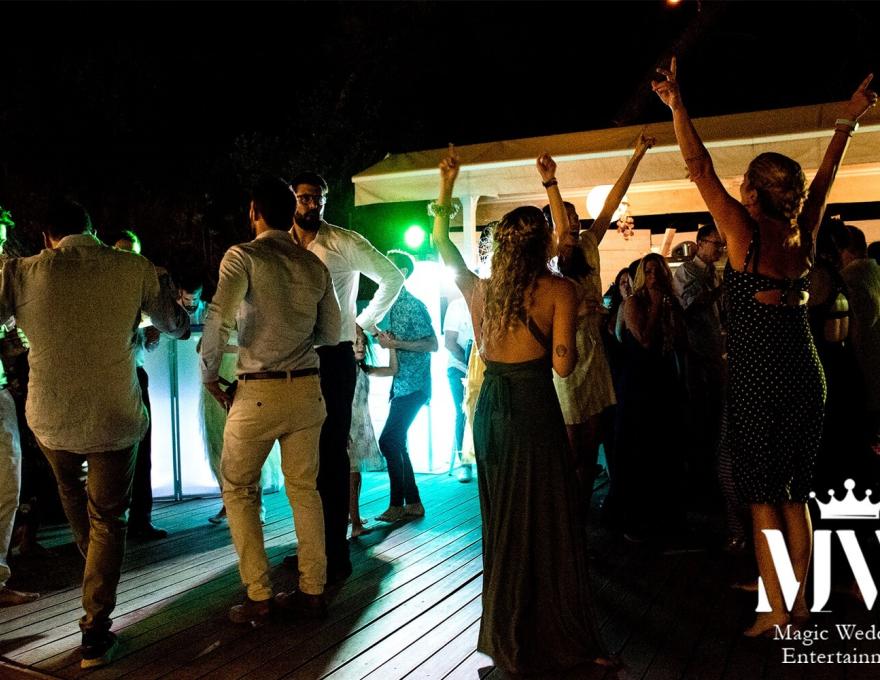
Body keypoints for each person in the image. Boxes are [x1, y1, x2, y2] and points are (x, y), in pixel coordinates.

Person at [653, 58, 877, 636]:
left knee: (761, 497)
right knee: (795, 494)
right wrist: (846, 122)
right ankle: (797, 605)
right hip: (806, 370)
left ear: (752, 191)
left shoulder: (742, 231)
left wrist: (678, 106)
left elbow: (699, 166)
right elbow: (826, 175)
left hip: (760, 375)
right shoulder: (804, 230)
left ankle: (775, 609)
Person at [433, 147, 612, 675]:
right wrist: (577, 322)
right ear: (542, 245)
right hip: (533, 411)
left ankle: (508, 634)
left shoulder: (481, 289)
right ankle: (556, 634)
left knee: (505, 523)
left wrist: (447, 187)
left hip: (491, 411)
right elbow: (563, 367)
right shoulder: (559, 290)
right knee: (549, 521)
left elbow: (441, 243)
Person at [0, 198, 189, 667]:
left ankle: (95, 581)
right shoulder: (133, 267)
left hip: (52, 418)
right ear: (93, 230)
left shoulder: (20, 272)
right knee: (108, 518)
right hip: (114, 414)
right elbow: (176, 327)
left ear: (47, 237)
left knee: (75, 499)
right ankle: (95, 630)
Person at [201, 177, 341, 624]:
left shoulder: (243, 256)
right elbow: (331, 332)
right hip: (306, 388)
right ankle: (313, 591)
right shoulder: (313, 265)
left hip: (258, 389)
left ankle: (259, 596)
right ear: (291, 212)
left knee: (239, 489)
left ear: (254, 212)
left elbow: (218, 317)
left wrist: (209, 375)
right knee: (305, 491)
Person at [287, 172, 404, 584]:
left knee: (333, 453)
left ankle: (335, 553)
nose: (312, 204)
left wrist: (363, 322)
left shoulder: (343, 242)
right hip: (296, 357)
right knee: (303, 455)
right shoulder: (283, 245)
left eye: (318, 198)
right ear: (293, 199)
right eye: (305, 198)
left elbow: (393, 276)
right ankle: (312, 547)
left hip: (335, 356)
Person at [545, 132, 654, 508]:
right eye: (567, 219)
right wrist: (551, 183)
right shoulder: (551, 262)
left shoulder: (590, 244)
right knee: (572, 445)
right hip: (567, 353)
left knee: (591, 444)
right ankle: (566, 514)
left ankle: (581, 513)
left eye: (576, 217)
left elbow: (610, 204)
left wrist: (636, 157)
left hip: (595, 352)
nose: (573, 224)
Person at [616, 254, 688, 542]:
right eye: (648, 271)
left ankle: (666, 517)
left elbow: (679, 340)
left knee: (664, 448)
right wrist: (657, 305)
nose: (653, 277)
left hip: (664, 380)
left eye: (658, 271)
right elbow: (644, 340)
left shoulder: (672, 304)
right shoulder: (634, 303)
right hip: (639, 384)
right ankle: (635, 520)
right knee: (640, 448)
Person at [111, 229, 167, 541]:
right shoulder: (102, 289)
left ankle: (141, 519)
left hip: (136, 371)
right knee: (111, 450)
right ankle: (113, 521)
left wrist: (152, 336)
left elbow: (149, 345)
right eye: (121, 252)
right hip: (109, 376)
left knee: (143, 447)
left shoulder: (144, 289)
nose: (127, 258)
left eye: (132, 253)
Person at [374, 249, 438, 522]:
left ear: (401, 273)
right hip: (402, 384)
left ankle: (397, 505)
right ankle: (412, 503)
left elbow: (432, 344)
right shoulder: (389, 304)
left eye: (386, 267)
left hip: (414, 385)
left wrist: (395, 343)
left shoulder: (411, 304)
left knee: (388, 440)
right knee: (396, 441)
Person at [673, 224, 727, 518]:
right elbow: (689, 307)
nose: (719, 249)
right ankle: (699, 477)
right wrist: (719, 291)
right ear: (701, 243)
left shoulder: (714, 273)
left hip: (713, 351)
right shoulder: (686, 272)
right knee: (699, 414)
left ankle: (715, 472)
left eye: (721, 245)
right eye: (716, 244)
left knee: (716, 414)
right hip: (695, 354)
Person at [349, 333, 396, 538]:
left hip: (359, 426)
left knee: (355, 475)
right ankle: (355, 524)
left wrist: (391, 346)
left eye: (363, 343)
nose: (360, 347)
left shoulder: (363, 369)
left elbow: (393, 370)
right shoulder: (344, 371)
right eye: (355, 343)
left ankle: (353, 517)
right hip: (349, 428)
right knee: (352, 476)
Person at [839, 224, 880, 450]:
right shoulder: (876, 273)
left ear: (846, 251)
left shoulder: (849, 280)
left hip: (865, 373)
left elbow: (855, 332)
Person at [443, 294, 474, 482]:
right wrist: (469, 362)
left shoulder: (490, 300)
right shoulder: (457, 306)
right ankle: (465, 463)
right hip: (460, 367)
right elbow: (449, 342)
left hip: (485, 367)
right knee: (463, 411)